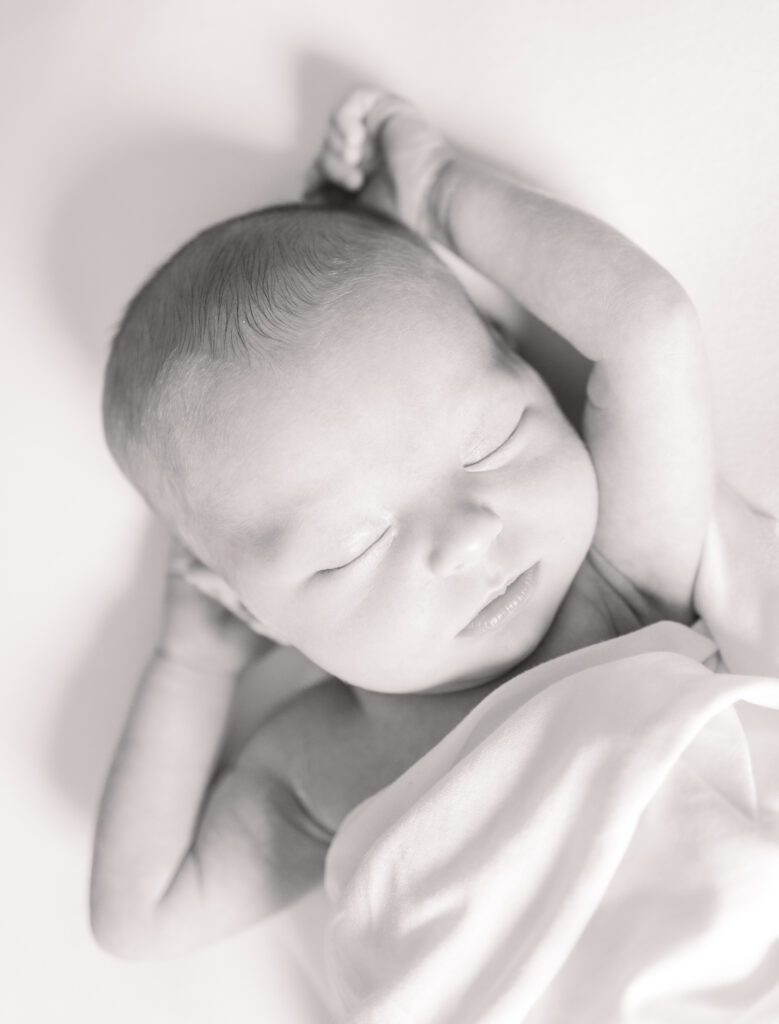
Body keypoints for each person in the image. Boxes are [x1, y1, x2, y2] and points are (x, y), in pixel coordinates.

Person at [89, 88, 714, 959]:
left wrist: (440, 197)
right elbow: (141, 917)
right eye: (354, 546)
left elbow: (649, 328)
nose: (464, 536)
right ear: (252, 609)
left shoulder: (626, 580)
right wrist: (191, 665)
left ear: (526, 368)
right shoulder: (330, 759)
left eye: (491, 440)